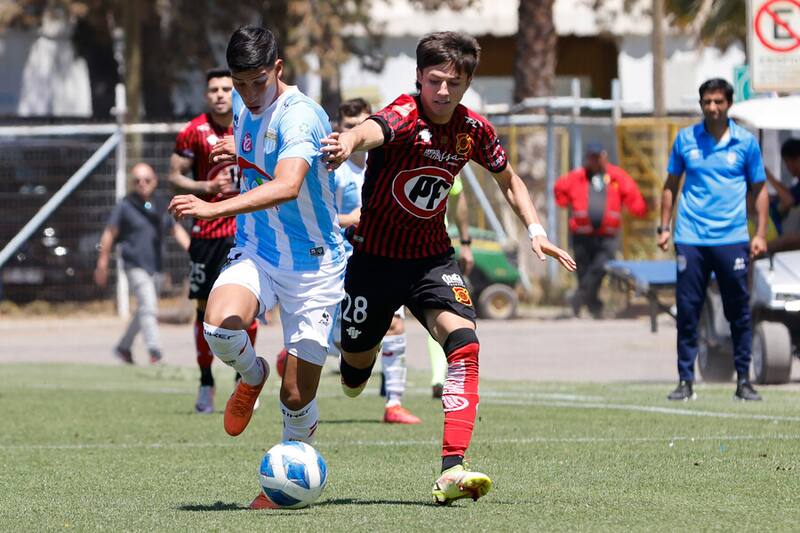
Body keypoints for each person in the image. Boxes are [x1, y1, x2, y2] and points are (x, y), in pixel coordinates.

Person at [321, 31, 576, 505]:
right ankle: (358, 357)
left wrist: (536, 231)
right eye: (434, 81)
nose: (442, 92)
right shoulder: (403, 111)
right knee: (355, 378)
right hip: (374, 262)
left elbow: (510, 179)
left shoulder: (473, 130)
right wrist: (348, 141)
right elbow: (370, 130)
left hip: (430, 259)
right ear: (419, 77)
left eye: (453, 84)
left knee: (465, 342)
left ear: (467, 84)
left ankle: (452, 468)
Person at [168, 25, 345, 510]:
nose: (247, 94)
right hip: (260, 252)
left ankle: (291, 479)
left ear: (278, 70)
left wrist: (213, 209)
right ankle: (251, 374)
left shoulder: (301, 116)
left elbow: (289, 185)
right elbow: (263, 162)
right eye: (239, 83)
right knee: (218, 327)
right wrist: (238, 152)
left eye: (257, 82)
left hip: (314, 267)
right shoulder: (248, 110)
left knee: (295, 397)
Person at [658, 78, 768, 402]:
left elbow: (759, 189)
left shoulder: (745, 143)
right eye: (707, 102)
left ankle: (744, 380)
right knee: (688, 310)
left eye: (718, 101)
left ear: (728, 104)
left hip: (732, 237)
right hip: (690, 236)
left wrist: (759, 233)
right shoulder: (685, 139)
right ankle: (685, 381)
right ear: (701, 104)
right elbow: (670, 185)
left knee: (738, 311)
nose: (712, 107)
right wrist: (663, 227)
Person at [169, 67, 260, 414]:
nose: (221, 94)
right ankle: (206, 382)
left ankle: (244, 382)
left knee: (247, 309)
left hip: (245, 231)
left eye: (226, 88)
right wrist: (204, 188)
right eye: (214, 90)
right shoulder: (194, 131)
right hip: (207, 233)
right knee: (204, 310)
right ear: (206, 95)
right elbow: (174, 175)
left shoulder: (249, 125)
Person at [332, 97, 422, 424]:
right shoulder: (335, 171)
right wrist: (352, 219)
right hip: (339, 263)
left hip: (382, 258)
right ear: (340, 129)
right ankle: (292, 359)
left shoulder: (387, 161)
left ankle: (393, 403)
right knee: (341, 341)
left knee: (395, 323)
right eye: (348, 124)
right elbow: (318, 217)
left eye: (361, 122)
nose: (355, 129)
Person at [95, 163, 190, 364]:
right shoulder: (125, 205)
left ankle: (123, 347)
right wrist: (102, 262)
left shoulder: (160, 205)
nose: (142, 184)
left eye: (146, 180)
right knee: (148, 306)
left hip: (155, 266)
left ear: (154, 181)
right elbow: (109, 233)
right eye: (137, 181)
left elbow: (176, 230)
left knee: (144, 310)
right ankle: (155, 351)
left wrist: (196, 251)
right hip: (134, 265)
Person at [554, 143, 647, 318]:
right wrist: (564, 202)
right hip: (582, 233)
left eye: (598, 157)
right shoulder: (578, 176)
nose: (595, 161)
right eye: (592, 157)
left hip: (607, 235)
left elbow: (632, 194)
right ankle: (593, 306)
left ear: (604, 157)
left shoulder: (615, 176)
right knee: (583, 271)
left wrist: (640, 210)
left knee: (600, 267)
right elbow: (559, 187)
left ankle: (579, 298)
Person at [765, 138, 800, 234]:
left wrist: (768, 176)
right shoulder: (797, 186)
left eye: (788, 161)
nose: (788, 166)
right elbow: (788, 193)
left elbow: (789, 200)